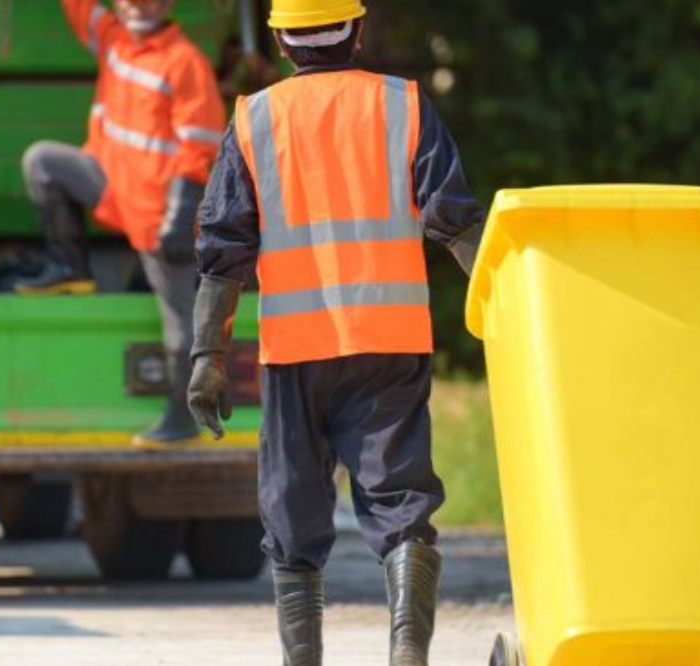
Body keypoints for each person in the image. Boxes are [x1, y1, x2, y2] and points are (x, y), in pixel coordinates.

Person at [185, 0, 486, 663]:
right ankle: (408, 653)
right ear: (356, 28)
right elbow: (454, 218)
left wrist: (208, 353)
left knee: (292, 513)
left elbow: (223, 244)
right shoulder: (404, 106)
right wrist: (508, 300)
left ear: (283, 42)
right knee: (401, 502)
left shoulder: (256, 119)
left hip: (296, 350)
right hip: (389, 339)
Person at [17, 0, 226, 448]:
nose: (137, 4)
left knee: (180, 319)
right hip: (111, 184)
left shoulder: (184, 61)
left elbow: (203, 144)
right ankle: (71, 270)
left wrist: (182, 213)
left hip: (156, 210)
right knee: (43, 162)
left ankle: (183, 417)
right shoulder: (114, 40)